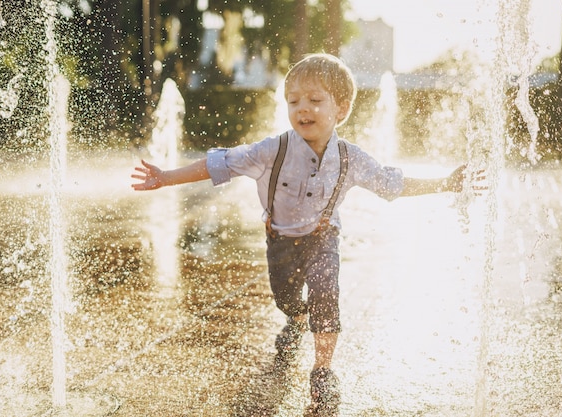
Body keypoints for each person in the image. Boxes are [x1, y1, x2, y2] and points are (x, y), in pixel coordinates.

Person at [131, 53, 485, 416]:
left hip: (322, 236)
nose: (303, 109)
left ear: (341, 109)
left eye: (315, 100)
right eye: (293, 101)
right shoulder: (273, 149)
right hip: (279, 238)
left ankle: (323, 370)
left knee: (325, 289)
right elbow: (220, 163)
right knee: (285, 297)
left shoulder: (350, 158)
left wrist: (446, 183)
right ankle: (296, 319)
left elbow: (391, 182)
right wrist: (167, 177)